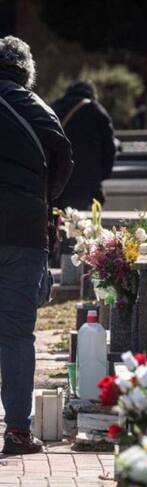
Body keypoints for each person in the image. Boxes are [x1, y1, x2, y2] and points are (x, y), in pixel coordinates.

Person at [0, 36, 73, 454]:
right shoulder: (38, 109)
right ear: (26, 72)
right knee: (16, 334)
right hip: (25, 231)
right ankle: (17, 431)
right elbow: (63, 161)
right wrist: (40, 197)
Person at [52, 80, 115, 210]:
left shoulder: (55, 108)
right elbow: (109, 150)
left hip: (59, 184)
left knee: (59, 219)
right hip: (88, 183)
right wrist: (100, 176)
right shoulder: (97, 110)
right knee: (86, 221)